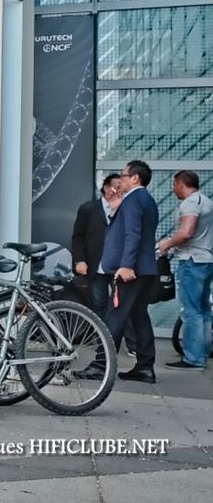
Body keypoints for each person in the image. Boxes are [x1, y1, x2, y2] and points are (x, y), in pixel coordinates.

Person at [76, 160, 160, 384]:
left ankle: (100, 365)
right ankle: (145, 367)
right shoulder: (146, 200)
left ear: (135, 178)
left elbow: (133, 234)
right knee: (139, 316)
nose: (120, 180)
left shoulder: (133, 200)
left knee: (115, 315)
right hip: (144, 269)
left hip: (131, 270)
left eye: (123, 176)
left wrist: (126, 265)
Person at [155, 170, 212, 371]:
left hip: (191, 261)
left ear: (181, 184)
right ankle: (203, 353)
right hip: (206, 260)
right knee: (204, 310)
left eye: (174, 185)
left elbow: (186, 232)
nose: (173, 189)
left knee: (191, 312)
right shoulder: (206, 201)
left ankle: (193, 359)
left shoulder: (189, 203)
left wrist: (167, 244)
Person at [71, 174, 123, 314]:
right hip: (95, 265)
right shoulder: (88, 209)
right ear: (106, 188)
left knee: (121, 302)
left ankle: (115, 335)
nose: (120, 191)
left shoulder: (125, 209)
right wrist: (79, 260)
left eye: (122, 188)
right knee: (98, 302)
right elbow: (78, 237)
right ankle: (99, 335)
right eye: (117, 187)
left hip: (118, 265)